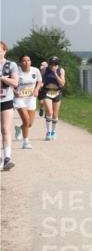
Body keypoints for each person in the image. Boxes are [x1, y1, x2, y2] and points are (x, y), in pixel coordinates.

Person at [13, 55, 42, 148]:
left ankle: (19, 128)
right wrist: (14, 91)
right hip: (19, 98)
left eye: (28, 60)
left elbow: (40, 81)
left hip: (31, 98)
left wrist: (36, 89)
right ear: (20, 63)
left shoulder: (35, 70)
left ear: (31, 62)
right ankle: (25, 142)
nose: (26, 62)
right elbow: (8, 83)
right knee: (26, 120)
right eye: (24, 61)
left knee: (29, 123)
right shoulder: (16, 71)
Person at [0, 42, 18, 171]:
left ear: (4, 51)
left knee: (5, 129)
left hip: (6, 100)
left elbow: (15, 82)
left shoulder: (11, 65)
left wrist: (2, 78)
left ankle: (7, 157)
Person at [41, 57, 66, 140]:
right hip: (46, 92)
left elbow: (62, 84)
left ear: (57, 64)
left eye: (55, 63)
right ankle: (48, 132)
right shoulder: (45, 70)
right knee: (49, 112)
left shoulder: (61, 70)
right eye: (51, 63)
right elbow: (41, 80)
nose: (52, 65)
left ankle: (53, 131)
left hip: (57, 92)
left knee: (55, 114)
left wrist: (55, 73)